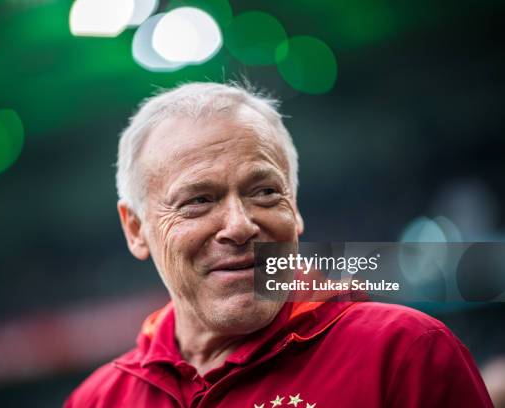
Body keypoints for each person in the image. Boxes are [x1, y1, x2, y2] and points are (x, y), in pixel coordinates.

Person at [64, 82, 492, 407]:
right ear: (136, 229)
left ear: (296, 207)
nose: (240, 225)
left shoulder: (406, 352)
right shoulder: (97, 400)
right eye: (198, 200)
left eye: (265, 192)